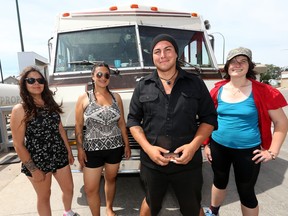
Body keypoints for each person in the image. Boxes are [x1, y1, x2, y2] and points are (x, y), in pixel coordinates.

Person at [127, 34, 218, 216]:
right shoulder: (143, 86)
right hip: (152, 163)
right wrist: (148, 149)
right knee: (151, 203)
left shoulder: (195, 83)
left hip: (187, 163)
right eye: (157, 51)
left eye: (168, 49)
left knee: (192, 207)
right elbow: (133, 121)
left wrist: (193, 147)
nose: (163, 55)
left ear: (176, 54)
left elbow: (209, 118)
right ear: (153, 57)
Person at [203, 47, 288, 216]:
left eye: (243, 61)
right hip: (219, 146)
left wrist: (272, 151)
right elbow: (209, 120)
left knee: (246, 192)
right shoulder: (217, 90)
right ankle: (213, 212)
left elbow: (281, 122)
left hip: (248, 151)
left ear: (249, 66)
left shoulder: (263, 92)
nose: (237, 64)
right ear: (227, 66)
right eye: (233, 61)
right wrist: (207, 144)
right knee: (219, 181)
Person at [10, 66, 79, 216]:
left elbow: (60, 129)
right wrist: (33, 170)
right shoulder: (20, 109)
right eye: (31, 80)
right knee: (44, 196)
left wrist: (68, 151)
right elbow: (18, 144)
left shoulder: (50, 104)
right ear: (24, 84)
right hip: (37, 159)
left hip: (59, 154)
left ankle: (68, 212)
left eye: (40, 80)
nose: (36, 83)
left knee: (69, 189)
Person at [75, 62, 131, 216]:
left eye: (106, 75)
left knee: (111, 179)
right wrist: (80, 149)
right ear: (93, 77)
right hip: (92, 150)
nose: (103, 78)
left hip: (115, 148)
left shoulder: (116, 97)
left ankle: (109, 208)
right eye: (99, 74)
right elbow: (78, 126)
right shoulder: (84, 98)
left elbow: (121, 123)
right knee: (90, 188)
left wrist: (126, 144)